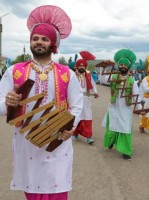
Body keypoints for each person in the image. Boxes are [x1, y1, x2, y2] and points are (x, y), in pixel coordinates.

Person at [0, 5, 83, 199]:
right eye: (35, 38)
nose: (39, 42)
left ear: (53, 44)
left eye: (44, 39)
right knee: (32, 190)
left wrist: (70, 127)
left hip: (57, 141)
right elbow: (0, 104)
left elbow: (77, 105)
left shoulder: (67, 74)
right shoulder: (15, 71)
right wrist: (8, 103)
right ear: (30, 42)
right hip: (26, 141)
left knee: (57, 189)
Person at [102, 49, 139, 160]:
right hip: (114, 107)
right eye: (121, 64)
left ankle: (125, 150)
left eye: (125, 65)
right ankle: (111, 141)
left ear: (128, 67)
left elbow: (137, 95)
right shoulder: (114, 78)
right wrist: (105, 66)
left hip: (126, 108)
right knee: (112, 125)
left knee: (125, 128)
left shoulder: (132, 80)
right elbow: (103, 79)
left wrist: (139, 109)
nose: (123, 66)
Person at [72, 59, 99, 144]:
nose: (81, 67)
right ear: (77, 66)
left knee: (87, 116)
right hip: (75, 99)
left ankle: (88, 137)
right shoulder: (73, 75)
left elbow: (93, 85)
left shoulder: (89, 76)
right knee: (75, 115)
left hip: (86, 99)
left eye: (83, 66)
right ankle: (74, 133)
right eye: (80, 65)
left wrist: (95, 92)